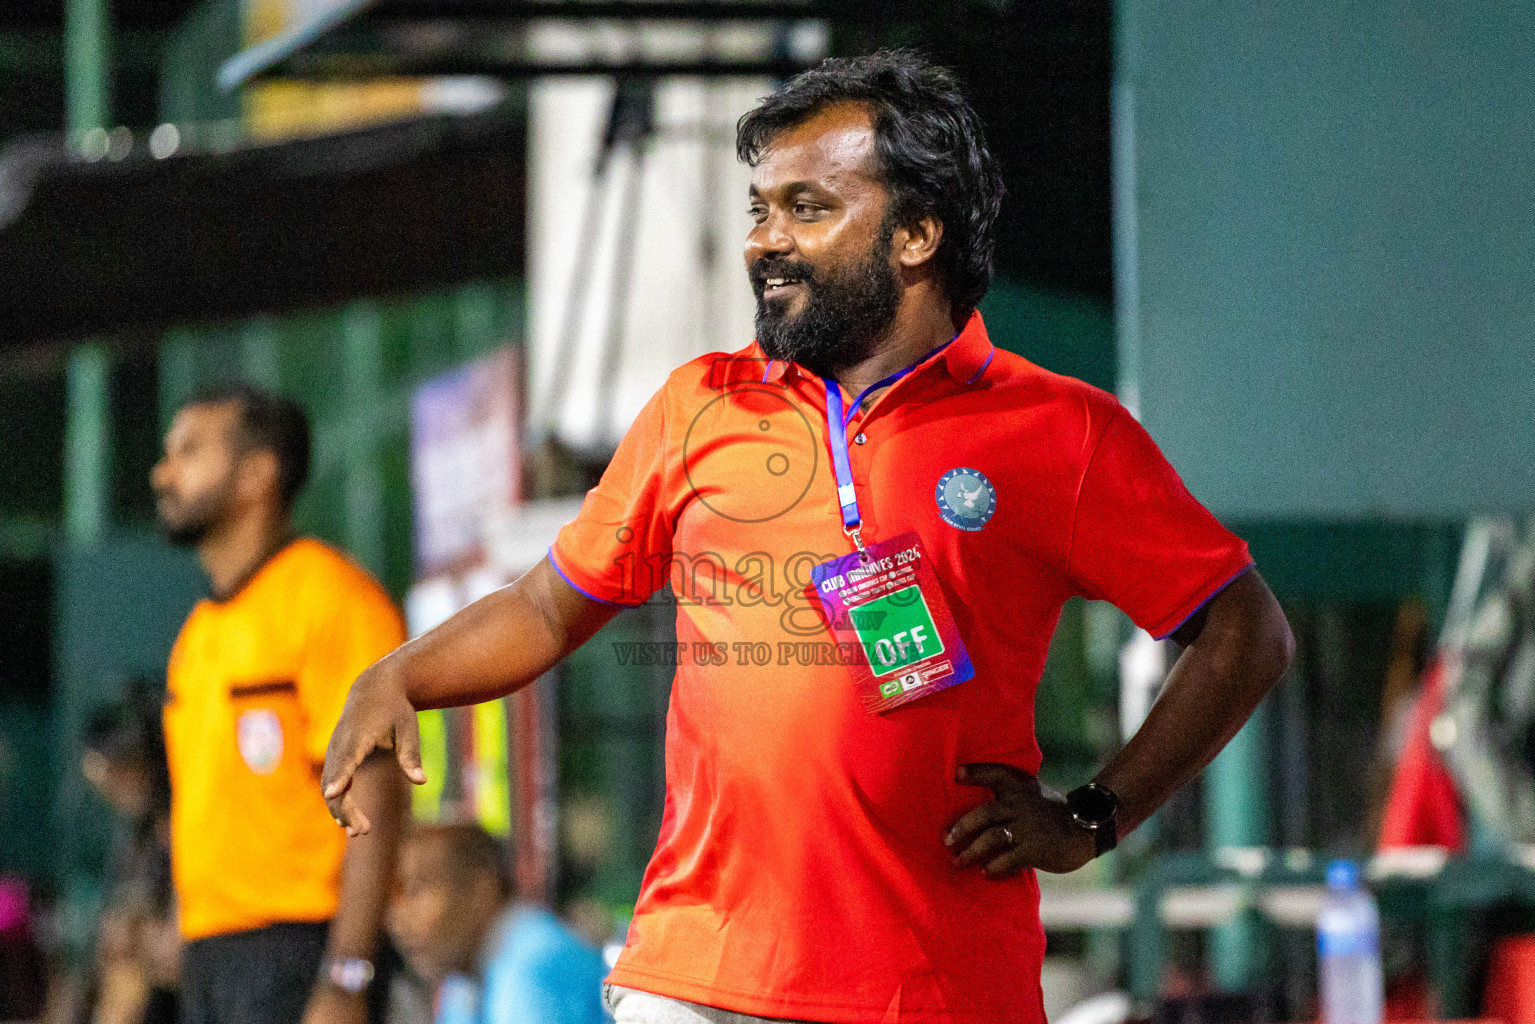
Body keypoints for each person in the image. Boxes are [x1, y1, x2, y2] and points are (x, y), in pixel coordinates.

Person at [324, 51, 1294, 1024]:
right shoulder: (698, 403)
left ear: (916, 233)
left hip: (938, 989)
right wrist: (400, 676)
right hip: (694, 976)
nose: (764, 242)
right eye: (758, 210)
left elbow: (1242, 630)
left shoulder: (1060, 433)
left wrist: (1092, 814)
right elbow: (545, 607)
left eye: (805, 208)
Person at [152, 384, 407, 1024]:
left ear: (259, 473)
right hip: (212, 957)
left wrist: (347, 977)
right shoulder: (197, 634)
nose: (162, 473)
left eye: (188, 452)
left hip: (301, 952)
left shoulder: (332, 599)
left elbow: (378, 792)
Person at [389, 823, 607, 1024]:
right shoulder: (462, 980)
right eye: (393, 898)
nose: (397, 921)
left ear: (480, 892)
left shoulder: (533, 967)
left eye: (415, 891)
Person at [81, 686, 179, 1024]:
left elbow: (175, 956)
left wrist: (144, 942)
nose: (111, 782)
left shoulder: (188, 826)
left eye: (125, 765)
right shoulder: (136, 837)